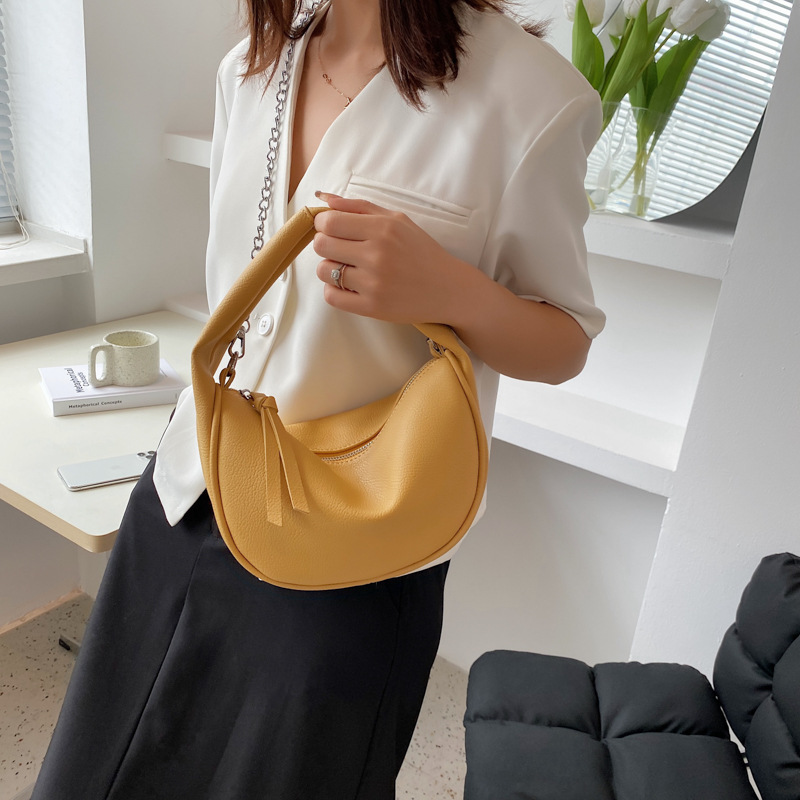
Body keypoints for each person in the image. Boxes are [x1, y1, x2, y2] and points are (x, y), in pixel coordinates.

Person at [32, 0, 605, 797]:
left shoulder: (530, 97)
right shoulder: (252, 68)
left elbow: (565, 342)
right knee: (96, 773)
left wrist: (451, 291)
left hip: (351, 550)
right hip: (186, 491)